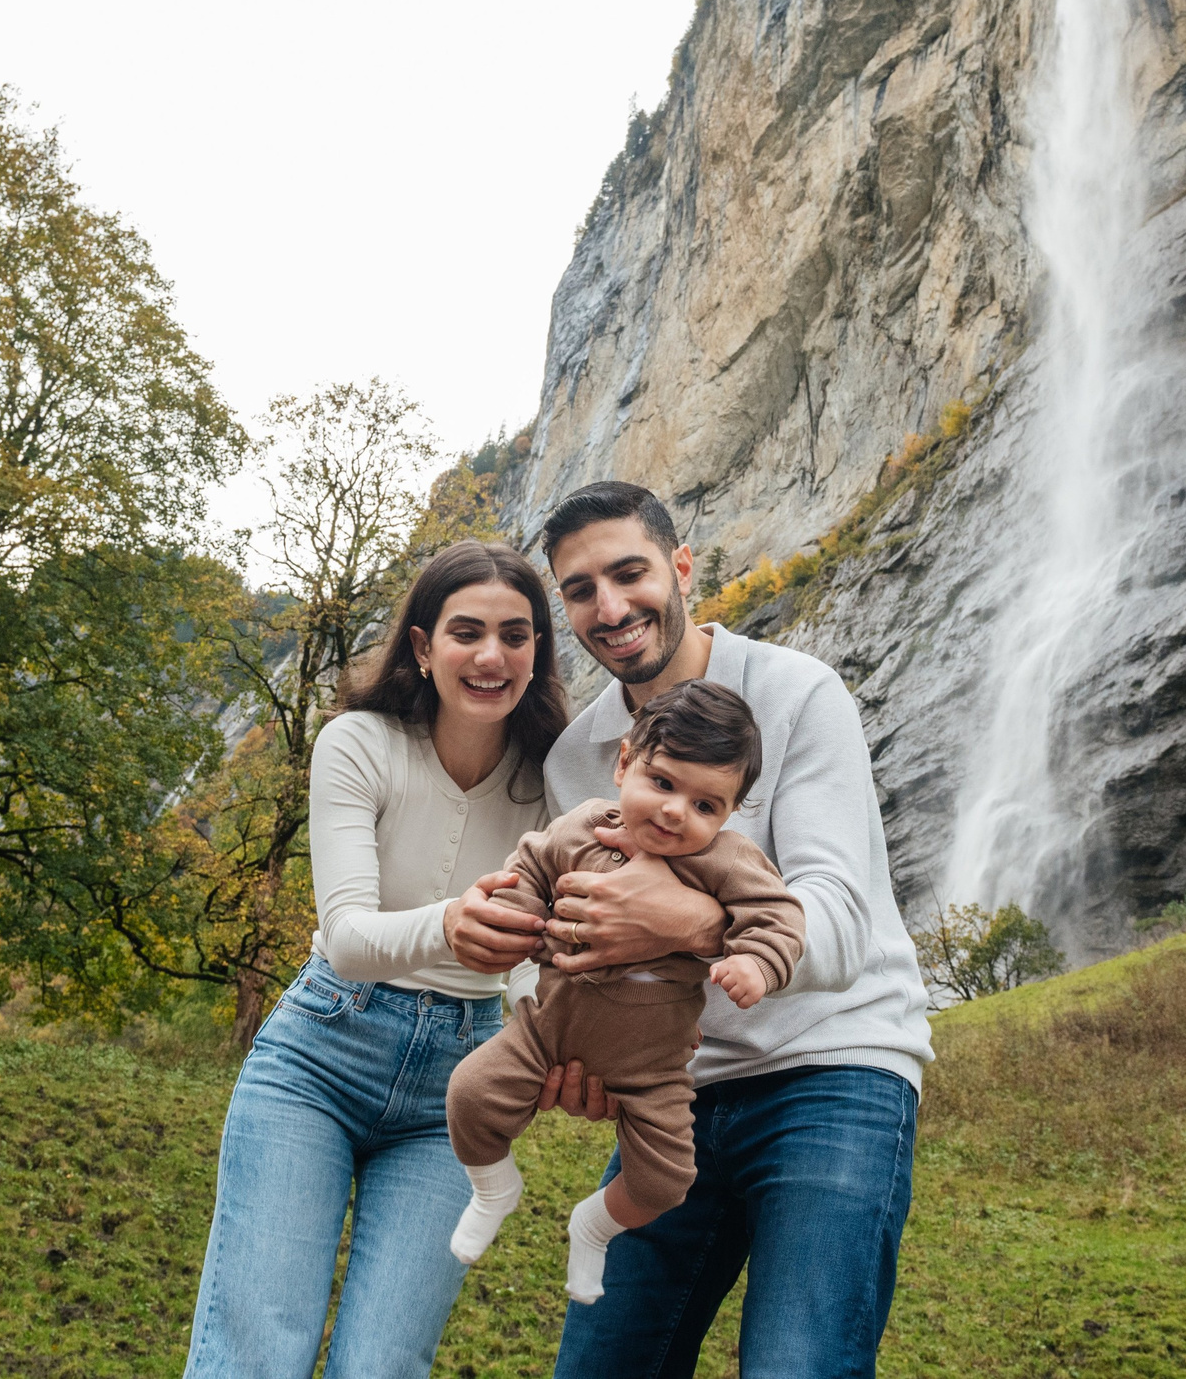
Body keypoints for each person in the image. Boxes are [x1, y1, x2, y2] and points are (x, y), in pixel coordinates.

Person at [447, 480, 934, 1378]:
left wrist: (697, 924)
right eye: (581, 589)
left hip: (836, 1072)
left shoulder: (797, 693)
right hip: (674, 1088)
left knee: (799, 1361)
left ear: (680, 567)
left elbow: (842, 918)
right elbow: (574, 937)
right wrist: (563, 1037)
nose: (611, 606)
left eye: (629, 573)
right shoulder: (577, 758)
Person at [182, 540, 570, 1379]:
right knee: (257, 1352)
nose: (492, 654)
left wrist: (542, 1041)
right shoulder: (359, 743)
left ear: (538, 652)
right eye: (466, 631)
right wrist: (456, 924)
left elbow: (554, 950)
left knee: (382, 1365)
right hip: (320, 1054)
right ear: (424, 648)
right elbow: (351, 935)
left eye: (517, 633)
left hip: (457, 1090)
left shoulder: (554, 778)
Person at [443, 680, 804, 1304]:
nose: (674, 813)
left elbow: (779, 917)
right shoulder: (583, 826)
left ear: (730, 813)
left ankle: (595, 1226)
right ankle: (493, 1186)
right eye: (662, 784)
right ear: (624, 763)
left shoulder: (725, 862)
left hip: (653, 1065)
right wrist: (519, 916)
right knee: (469, 1096)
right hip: (545, 1030)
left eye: (705, 806)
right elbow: (530, 865)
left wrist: (756, 964)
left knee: (666, 1180)